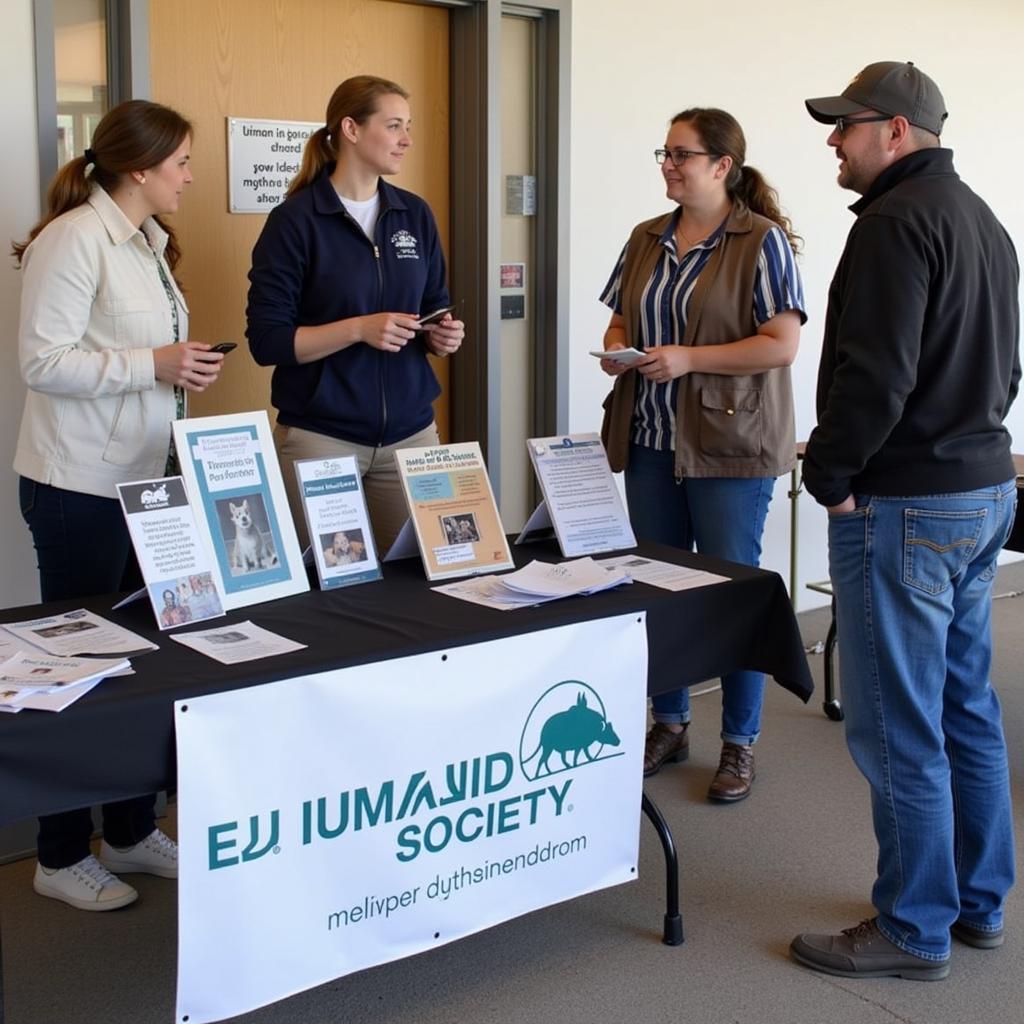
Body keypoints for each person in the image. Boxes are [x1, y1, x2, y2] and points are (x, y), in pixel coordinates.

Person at [791, 61, 1019, 980]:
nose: (833, 143)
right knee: (966, 706)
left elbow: (874, 374)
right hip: (981, 489)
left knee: (898, 725)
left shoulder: (891, 224)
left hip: (907, 505)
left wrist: (835, 476)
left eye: (845, 126)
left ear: (894, 130)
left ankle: (913, 925)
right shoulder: (983, 220)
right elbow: (1004, 371)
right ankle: (975, 902)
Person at [13, 98, 225, 910]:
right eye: (180, 164)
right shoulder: (74, 239)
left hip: (147, 480)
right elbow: (44, 363)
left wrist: (177, 366)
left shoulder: (147, 243)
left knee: (146, 661)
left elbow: (141, 355)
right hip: (77, 488)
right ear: (140, 169)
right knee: (79, 674)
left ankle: (132, 833)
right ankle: (61, 853)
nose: (189, 176)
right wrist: (154, 363)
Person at [598, 108, 805, 802]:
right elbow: (622, 314)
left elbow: (780, 344)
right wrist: (619, 349)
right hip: (650, 441)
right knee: (656, 591)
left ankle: (739, 743)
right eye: (665, 152)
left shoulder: (760, 241)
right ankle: (671, 720)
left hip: (730, 449)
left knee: (732, 598)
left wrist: (689, 358)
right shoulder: (645, 237)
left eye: (682, 154)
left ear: (722, 166)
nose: (668, 164)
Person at [246, 74, 464, 553]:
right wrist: (358, 329)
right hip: (322, 440)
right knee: (330, 589)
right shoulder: (295, 221)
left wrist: (439, 335)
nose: (406, 139)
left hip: (412, 435)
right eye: (393, 126)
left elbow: (433, 304)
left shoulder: (415, 214)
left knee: (425, 577)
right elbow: (268, 341)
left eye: (408, 126)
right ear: (350, 129)